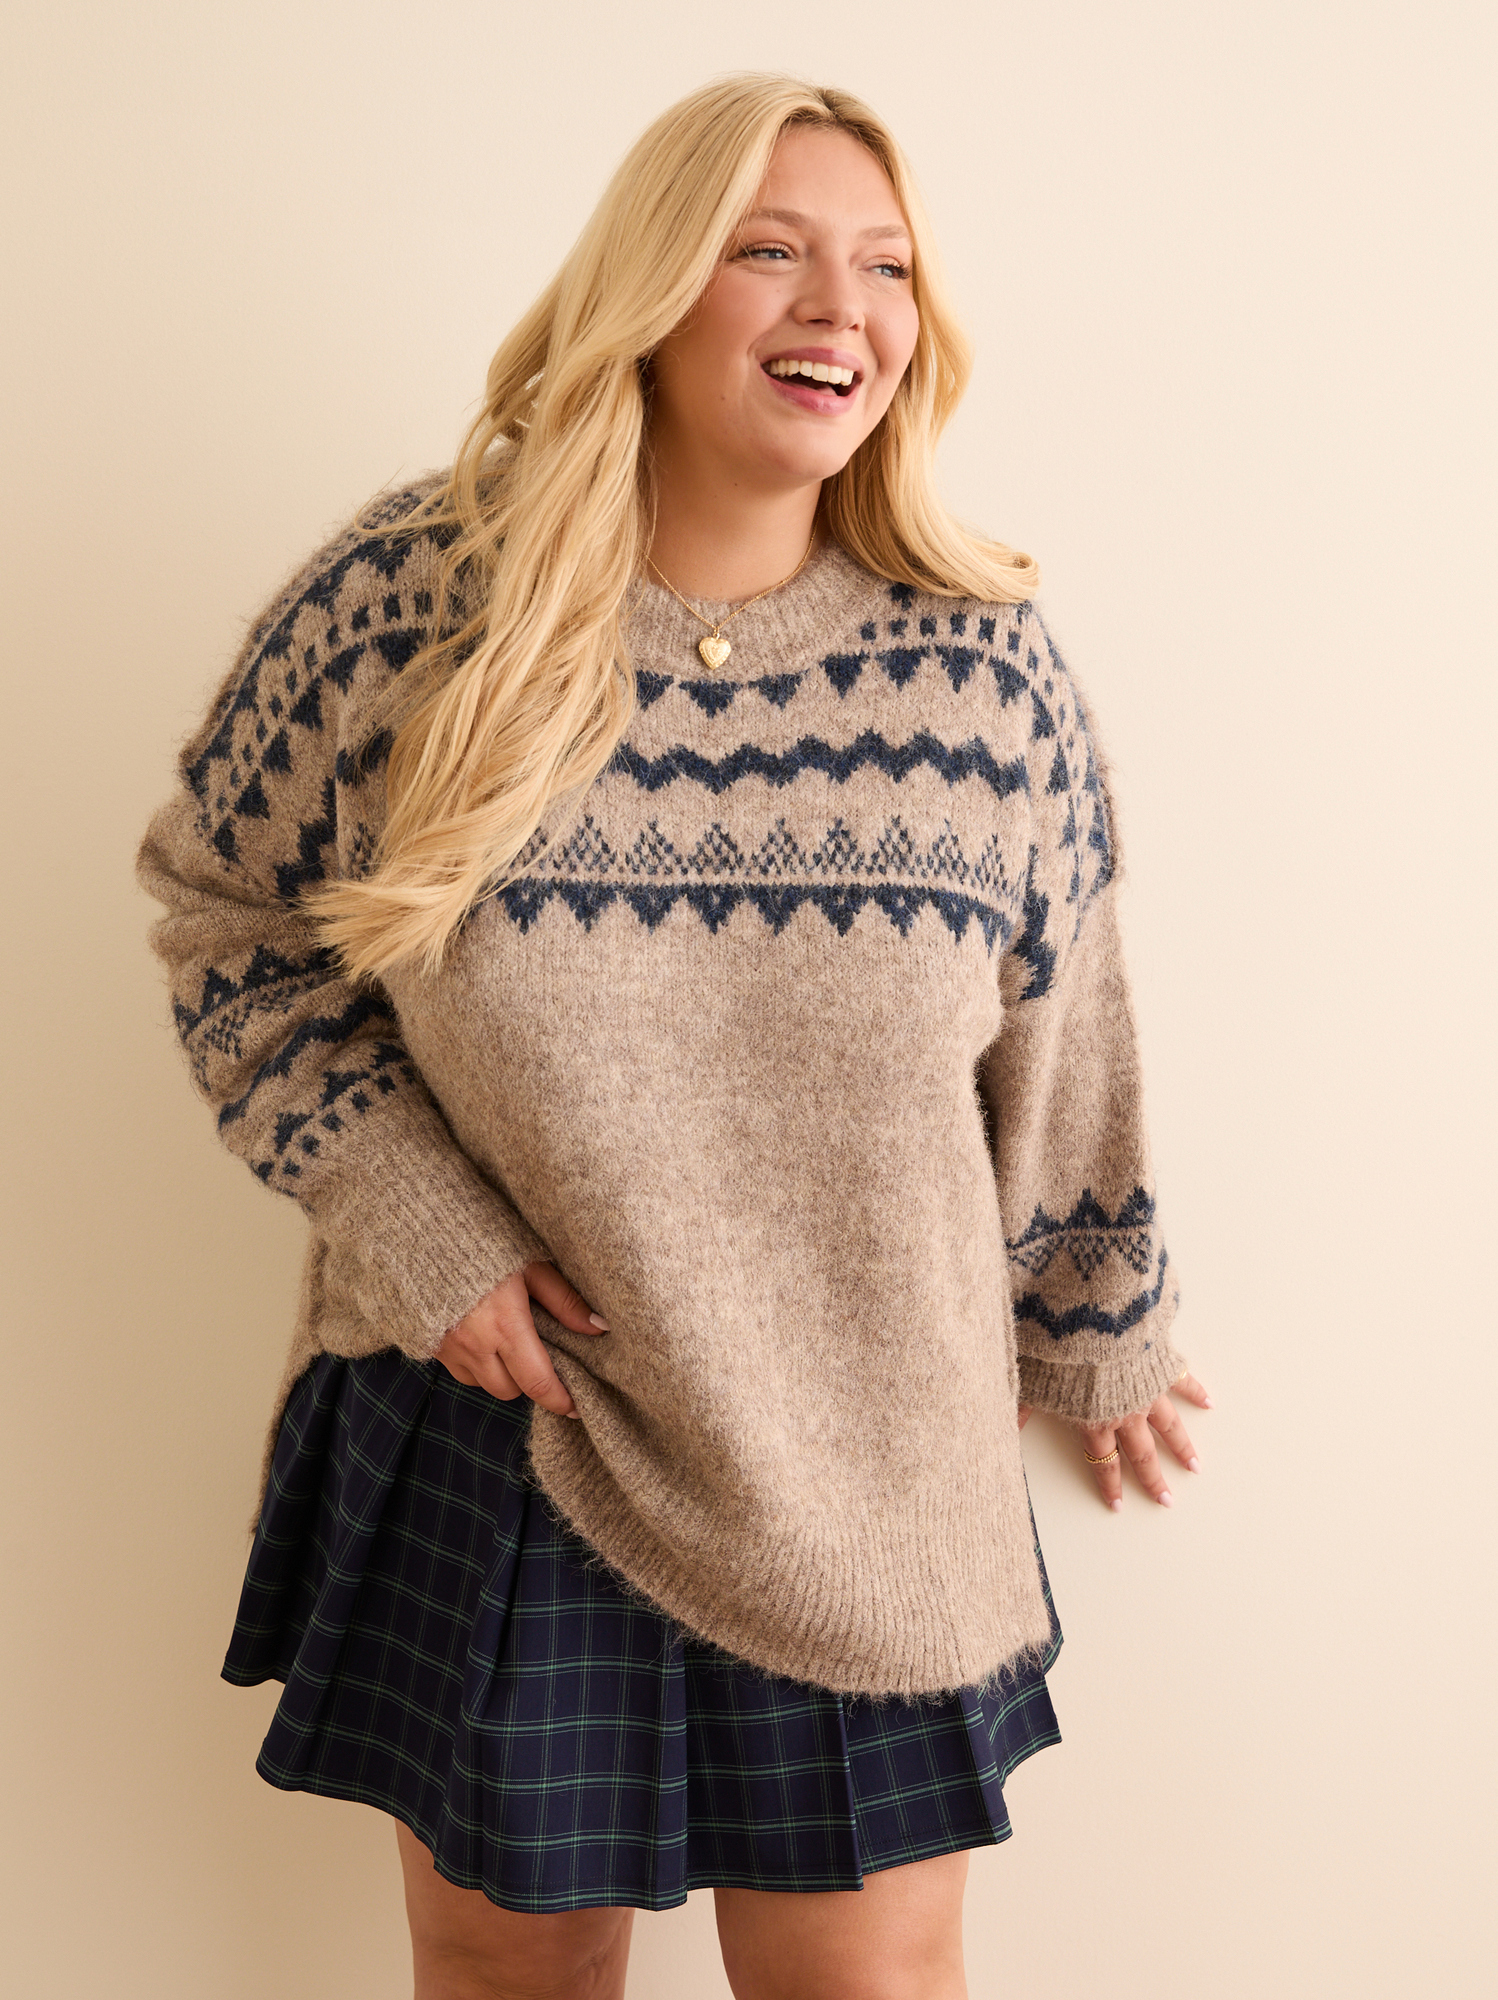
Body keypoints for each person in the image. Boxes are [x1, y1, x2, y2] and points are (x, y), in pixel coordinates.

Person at [137, 72, 1209, 2000]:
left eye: (886, 266)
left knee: (861, 1984)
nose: (842, 308)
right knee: (508, 1978)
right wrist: (422, 1228)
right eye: (768, 250)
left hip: (866, 1457)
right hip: (513, 1425)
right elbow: (232, 929)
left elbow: (1070, 1027)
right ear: (649, 285)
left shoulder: (979, 675)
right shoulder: (413, 611)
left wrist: (1094, 1311)